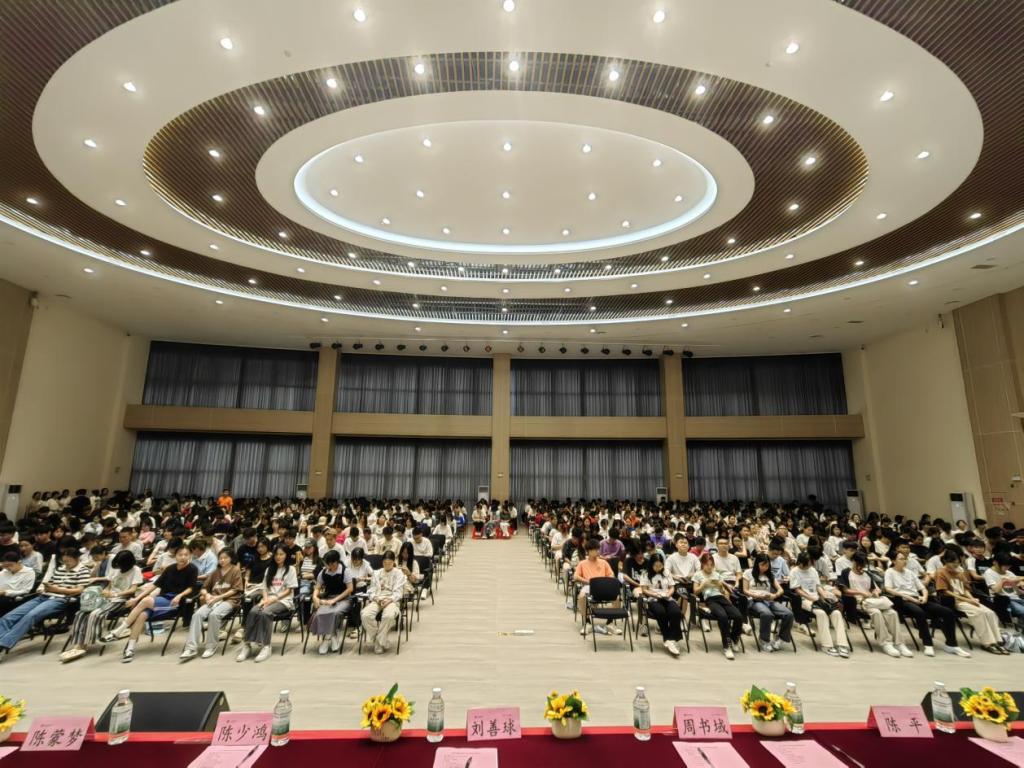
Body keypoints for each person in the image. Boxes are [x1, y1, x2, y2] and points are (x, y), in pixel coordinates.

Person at [105, 544, 197, 663]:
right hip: (162, 600)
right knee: (142, 615)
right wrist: (136, 599)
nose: (183, 557)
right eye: (180, 554)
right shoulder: (170, 569)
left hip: (176, 603)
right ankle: (130, 649)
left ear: (190, 556)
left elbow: (191, 588)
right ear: (175, 555)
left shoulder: (192, 569)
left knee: (147, 600)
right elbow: (154, 585)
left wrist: (179, 595)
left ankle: (119, 630)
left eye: (186, 555)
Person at [0, 546, 91, 657]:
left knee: (30, 616)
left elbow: (79, 590)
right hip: (44, 596)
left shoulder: (83, 570)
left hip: (60, 599)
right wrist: (46, 587)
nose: (66, 563)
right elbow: (52, 582)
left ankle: (2, 645)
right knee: (9, 617)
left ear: (76, 559)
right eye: (64, 561)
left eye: (68, 561)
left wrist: (58, 589)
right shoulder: (61, 569)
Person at [60, 550, 143, 663]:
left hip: (121, 599)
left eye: (120, 565)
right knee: (81, 613)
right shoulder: (117, 569)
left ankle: (86, 643)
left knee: (95, 614)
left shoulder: (135, 570)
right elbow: (110, 584)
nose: (119, 567)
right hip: (108, 597)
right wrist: (105, 591)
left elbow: (133, 590)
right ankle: (78, 643)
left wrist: (115, 594)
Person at [883, 552, 969, 657]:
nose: (904, 561)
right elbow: (888, 589)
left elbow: (923, 588)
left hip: (918, 598)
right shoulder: (890, 572)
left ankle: (951, 645)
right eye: (901, 559)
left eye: (905, 559)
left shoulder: (909, 572)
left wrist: (924, 597)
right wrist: (909, 597)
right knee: (920, 613)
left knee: (948, 612)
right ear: (893, 561)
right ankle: (928, 644)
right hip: (902, 600)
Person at [935, 550, 1007, 655]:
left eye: (958, 562)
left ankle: (998, 641)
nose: (956, 565)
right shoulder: (940, 572)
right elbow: (945, 591)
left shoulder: (959, 572)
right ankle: (988, 643)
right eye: (953, 562)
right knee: (979, 613)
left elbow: (966, 589)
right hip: (953, 601)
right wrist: (967, 600)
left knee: (990, 613)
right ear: (945, 561)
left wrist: (972, 599)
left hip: (966, 600)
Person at [839, 553, 910, 658]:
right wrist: (861, 593)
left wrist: (875, 591)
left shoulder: (867, 574)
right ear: (853, 561)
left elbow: (873, 589)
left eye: (863, 565)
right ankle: (885, 643)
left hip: (872, 601)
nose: (860, 567)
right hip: (857, 602)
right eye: (858, 564)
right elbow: (845, 590)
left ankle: (899, 643)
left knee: (892, 612)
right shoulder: (846, 572)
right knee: (876, 613)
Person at [237, 546, 297, 663]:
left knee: (265, 613)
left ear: (286, 556)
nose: (278, 557)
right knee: (253, 611)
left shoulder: (291, 569)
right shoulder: (270, 569)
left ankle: (266, 646)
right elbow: (264, 587)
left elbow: (289, 590)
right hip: (268, 599)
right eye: (276, 554)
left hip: (283, 601)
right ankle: (247, 645)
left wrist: (272, 600)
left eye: (281, 554)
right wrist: (265, 600)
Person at [180, 549, 242, 661]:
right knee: (197, 615)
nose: (222, 560)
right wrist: (207, 595)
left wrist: (219, 597)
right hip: (213, 599)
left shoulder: (235, 570)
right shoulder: (215, 572)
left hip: (230, 601)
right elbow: (204, 588)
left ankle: (211, 646)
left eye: (225, 558)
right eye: (220, 558)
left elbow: (236, 590)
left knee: (214, 615)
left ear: (231, 559)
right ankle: (191, 648)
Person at [790, 551, 849, 658]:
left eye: (811, 563)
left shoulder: (812, 570)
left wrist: (825, 596)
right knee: (821, 613)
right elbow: (797, 590)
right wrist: (811, 598)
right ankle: (827, 645)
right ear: (801, 563)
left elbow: (818, 586)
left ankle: (842, 644)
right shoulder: (794, 571)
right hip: (803, 600)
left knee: (836, 613)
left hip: (817, 597)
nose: (810, 565)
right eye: (808, 563)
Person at [693, 552, 743, 659]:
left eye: (711, 565)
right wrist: (703, 585)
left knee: (738, 616)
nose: (709, 567)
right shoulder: (698, 575)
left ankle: (734, 639)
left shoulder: (716, 574)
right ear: (702, 564)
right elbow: (695, 592)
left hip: (721, 597)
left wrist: (721, 586)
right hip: (710, 600)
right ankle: (726, 646)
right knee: (723, 616)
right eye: (707, 564)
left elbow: (722, 591)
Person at [742, 553, 794, 652]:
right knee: (767, 614)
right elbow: (745, 590)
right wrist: (756, 595)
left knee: (789, 614)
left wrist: (775, 595)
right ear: (757, 563)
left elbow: (781, 590)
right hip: (755, 600)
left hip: (769, 600)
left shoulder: (769, 574)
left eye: (766, 566)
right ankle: (764, 640)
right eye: (762, 565)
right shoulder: (748, 573)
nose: (764, 568)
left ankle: (781, 638)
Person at [360, 550, 406, 654]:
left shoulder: (398, 573)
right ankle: (381, 640)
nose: (387, 565)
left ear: (393, 562)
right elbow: (371, 590)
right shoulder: (377, 573)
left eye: (389, 563)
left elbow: (399, 592)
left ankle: (378, 642)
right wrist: (376, 598)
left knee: (388, 616)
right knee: (365, 615)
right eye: (385, 563)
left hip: (392, 600)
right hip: (378, 599)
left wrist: (390, 600)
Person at [308, 550, 353, 654]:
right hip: (328, 599)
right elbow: (317, 588)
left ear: (336, 562)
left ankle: (326, 639)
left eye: (331, 564)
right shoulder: (323, 572)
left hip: (344, 599)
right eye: (327, 564)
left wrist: (334, 600)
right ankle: (332, 636)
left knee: (335, 612)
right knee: (320, 613)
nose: (329, 566)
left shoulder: (345, 571)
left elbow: (350, 589)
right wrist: (315, 597)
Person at [639, 554, 683, 657]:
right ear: (651, 565)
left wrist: (669, 594)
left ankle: (671, 639)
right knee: (661, 612)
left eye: (660, 566)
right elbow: (644, 590)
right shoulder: (645, 574)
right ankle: (668, 637)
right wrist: (654, 594)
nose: (658, 568)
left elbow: (672, 587)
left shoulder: (666, 572)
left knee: (676, 612)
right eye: (656, 566)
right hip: (653, 598)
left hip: (667, 597)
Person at [573, 539, 618, 636]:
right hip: (589, 586)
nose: (598, 551)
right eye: (595, 550)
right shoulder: (582, 563)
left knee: (617, 597)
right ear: (589, 551)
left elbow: (611, 575)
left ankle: (610, 623)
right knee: (581, 596)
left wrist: (605, 581)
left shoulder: (603, 562)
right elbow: (575, 576)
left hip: (603, 586)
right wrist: (587, 581)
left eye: (598, 549)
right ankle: (587, 622)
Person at [985, 552, 1024, 623]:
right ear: (995, 563)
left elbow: (1018, 591)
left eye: (1009, 566)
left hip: (1017, 598)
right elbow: (996, 590)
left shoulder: (1009, 573)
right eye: (1005, 565)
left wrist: (1017, 584)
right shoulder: (989, 573)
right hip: (1004, 601)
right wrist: (1003, 580)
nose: (1007, 568)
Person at [0, 552, 37, 617]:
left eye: (10, 565)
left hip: (12, 598)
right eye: (5, 566)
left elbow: (25, 591)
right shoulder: (5, 571)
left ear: (19, 562)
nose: (7, 568)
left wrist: (5, 592)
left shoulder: (29, 572)